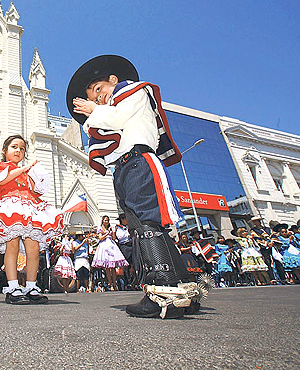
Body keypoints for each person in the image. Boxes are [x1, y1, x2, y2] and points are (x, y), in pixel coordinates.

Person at [68, 55, 205, 318]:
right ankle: (181, 290)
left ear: (113, 80)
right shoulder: (110, 106)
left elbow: (116, 118)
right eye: (95, 98)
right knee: (141, 225)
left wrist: (95, 110)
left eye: (99, 90)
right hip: (124, 167)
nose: (98, 99)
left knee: (146, 224)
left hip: (139, 162)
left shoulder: (133, 92)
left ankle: (163, 290)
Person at [0, 134, 63, 304]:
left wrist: (36, 176)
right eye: (14, 147)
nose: (18, 151)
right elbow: (2, 180)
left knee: (33, 247)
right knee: (11, 245)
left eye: (22, 149)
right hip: (10, 206)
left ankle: (31, 286)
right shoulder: (1, 166)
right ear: (5, 150)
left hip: (28, 206)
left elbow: (36, 190)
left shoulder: (27, 172)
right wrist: (25, 168)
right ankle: (13, 287)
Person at [92, 216, 127, 291]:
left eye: (107, 220)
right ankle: (110, 283)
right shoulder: (100, 228)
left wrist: (113, 232)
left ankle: (114, 284)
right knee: (107, 267)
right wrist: (106, 233)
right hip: (104, 246)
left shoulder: (110, 228)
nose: (106, 222)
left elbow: (114, 238)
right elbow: (100, 238)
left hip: (111, 245)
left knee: (113, 267)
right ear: (102, 221)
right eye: (105, 220)